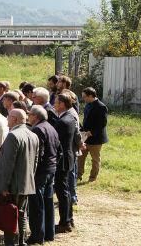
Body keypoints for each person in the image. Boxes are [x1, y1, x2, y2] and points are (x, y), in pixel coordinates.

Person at [0, 109, 39, 246]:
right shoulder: (33, 135)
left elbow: (8, 164)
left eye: (8, 118)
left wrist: (4, 186)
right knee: (21, 213)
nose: (7, 120)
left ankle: (11, 243)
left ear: (15, 119)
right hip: (26, 183)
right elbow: (35, 162)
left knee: (10, 216)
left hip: (13, 185)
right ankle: (21, 242)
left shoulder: (13, 136)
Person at [27, 105, 61, 244]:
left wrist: (32, 171)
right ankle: (48, 233)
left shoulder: (38, 129)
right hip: (51, 169)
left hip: (41, 172)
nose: (28, 116)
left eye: (29, 114)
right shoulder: (51, 127)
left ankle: (37, 236)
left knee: (36, 204)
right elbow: (60, 150)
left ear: (35, 116)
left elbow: (38, 155)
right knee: (47, 202)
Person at [52, 93, 77, 233]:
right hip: (68, 157)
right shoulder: (69, 118)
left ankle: (65, 222)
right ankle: (69, 219)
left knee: (62, 192)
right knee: (65, 190)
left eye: (56, 102)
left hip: (62, 160)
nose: (54, 104)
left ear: (62, 104)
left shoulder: (63, 121)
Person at [79, 87, 109, 182]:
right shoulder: (88, 105)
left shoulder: (101, 107)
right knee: (80, 157)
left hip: (96, 138)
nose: (83, 99)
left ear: (91, 96)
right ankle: (78, 175)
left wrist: (91, 132)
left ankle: (92, 178)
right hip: (85, 137)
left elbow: (102, 124)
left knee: (95, 159)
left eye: (84, 97)